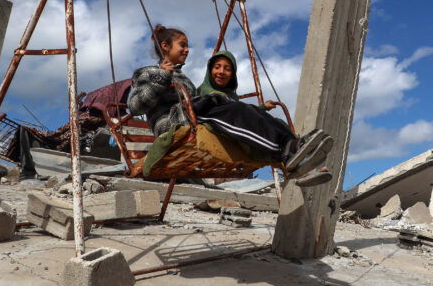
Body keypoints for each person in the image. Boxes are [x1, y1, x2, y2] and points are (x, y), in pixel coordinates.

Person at [129, 26, 332, 185]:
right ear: (165, 46)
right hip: (172, 123)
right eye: (182, 45)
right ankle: (291, 152)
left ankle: (296, 152)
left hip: (189, 115)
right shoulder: (146, 72)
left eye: (187, 45)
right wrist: (161, 77)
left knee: (249, 111)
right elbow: (136, 106)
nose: (187, 49)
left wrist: (259, 108)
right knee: (234, 109)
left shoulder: (183, 77)